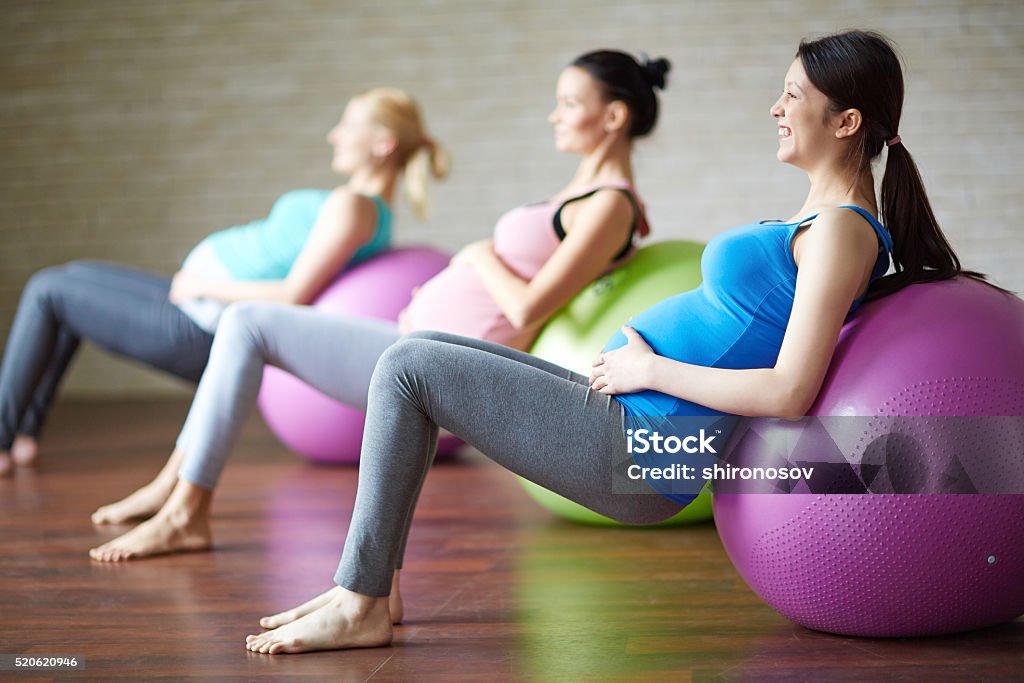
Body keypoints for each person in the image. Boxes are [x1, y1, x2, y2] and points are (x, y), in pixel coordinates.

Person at [237, 30, 999, 655]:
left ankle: (362, 597)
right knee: (423, 348)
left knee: (407, 365)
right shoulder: (818, 221)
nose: (775, 106)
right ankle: (372, 583)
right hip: (626, 419)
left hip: (642, 449)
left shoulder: (841, 232)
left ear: (847, 121)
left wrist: (648, 365)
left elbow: (790, 388)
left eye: (793, 94)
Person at [87, 50, 672, 578]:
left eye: (569, 102)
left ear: (614, 117)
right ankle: (176, 489)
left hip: (444, 365)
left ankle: (185, 507)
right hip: (409, 341)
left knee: (247, 321)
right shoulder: (579, 195)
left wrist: (478, 257)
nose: (555, 115)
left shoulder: (610, 205)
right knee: (247, 326)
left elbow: (528, 305)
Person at [0, 87, 446, 476]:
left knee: (48, 289)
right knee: (70, 276)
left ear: (384, 143)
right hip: (195, 306)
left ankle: (4, 437)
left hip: (202, 325)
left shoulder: (355, 207)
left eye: (348, 125)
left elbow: (293, 295)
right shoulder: (367, 208)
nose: (335, 134)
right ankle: (24, 435)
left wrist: (204, 287)